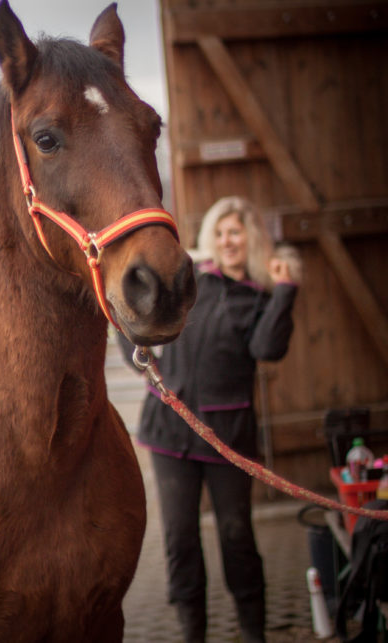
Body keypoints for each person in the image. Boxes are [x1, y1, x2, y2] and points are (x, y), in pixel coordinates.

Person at [121, 196, 300, 643]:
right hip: (169, 434)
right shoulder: (188, 283)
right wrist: (135, 349)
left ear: (250, 239)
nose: (228, 241)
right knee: (180, 540)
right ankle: (192, 634)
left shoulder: (258, 297)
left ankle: (253, 632)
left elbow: (268, 349)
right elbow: (137, 325)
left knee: (237, 537)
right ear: (210, 240)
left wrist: (285, 294)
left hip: (228, 438)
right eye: (220, 233)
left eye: (236, 232)